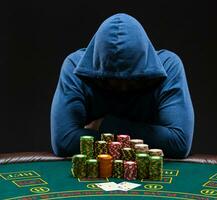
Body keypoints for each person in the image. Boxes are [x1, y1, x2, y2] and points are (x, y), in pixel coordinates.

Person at [51, 13, 194, 158]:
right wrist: (153, 137)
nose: (123, 88)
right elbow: (64, 142)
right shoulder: (75, 68)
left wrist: (105, 125)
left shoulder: (169, 67)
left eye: (132, 79)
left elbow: (179, 143)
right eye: (112, 80)